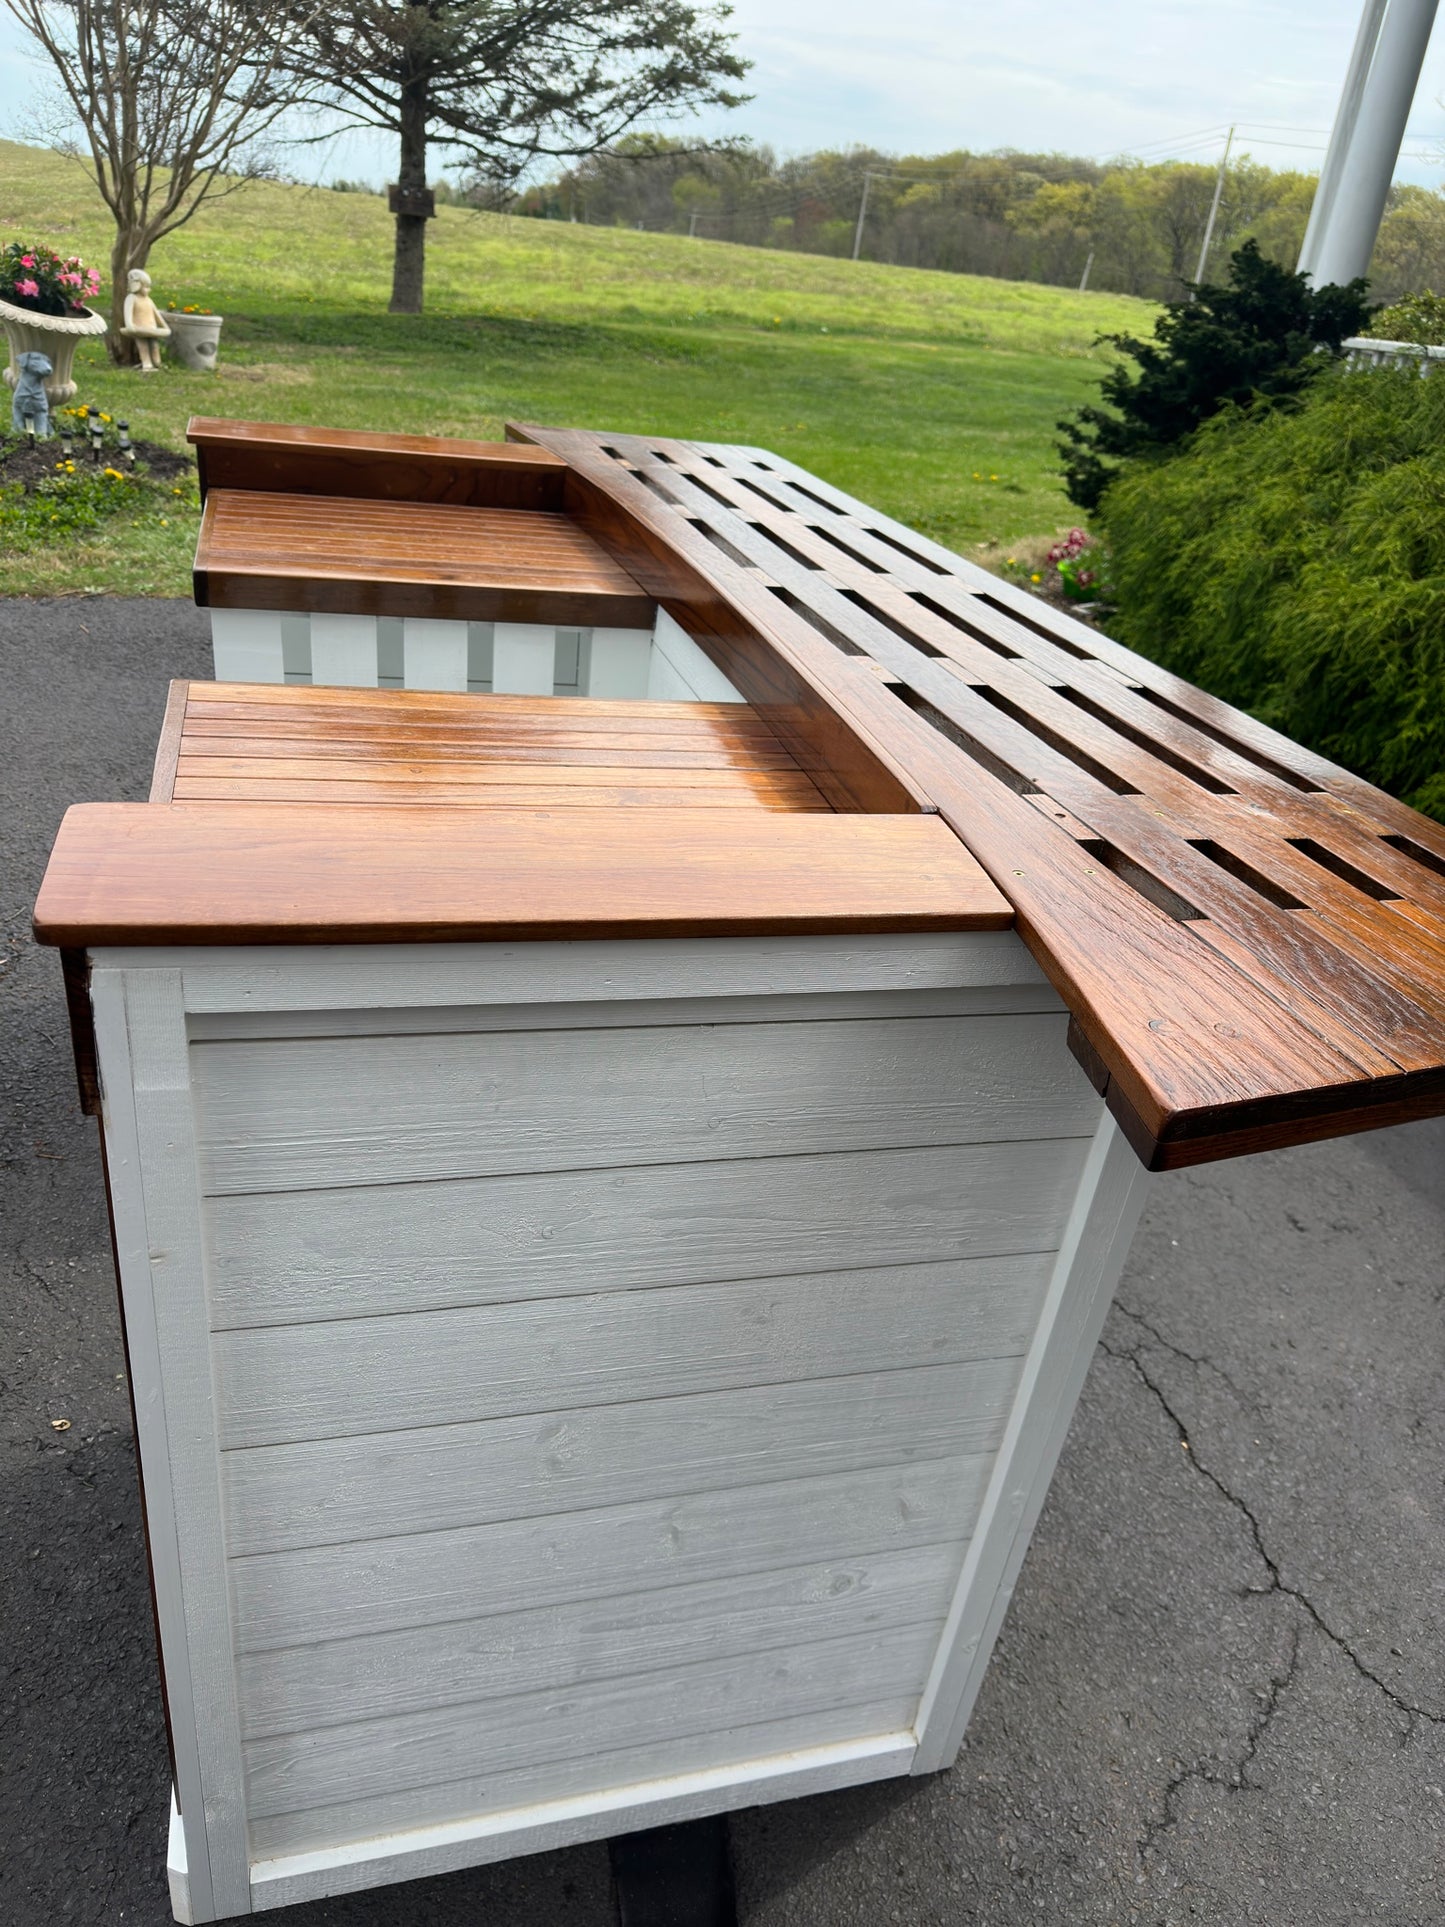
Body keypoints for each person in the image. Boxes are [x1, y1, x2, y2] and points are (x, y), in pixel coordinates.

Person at [121, 268, 170, 372]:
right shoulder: (131, 298)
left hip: (151, 328)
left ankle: (157, 363)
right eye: (146, 287)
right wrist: (130, 325)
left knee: (154, 346)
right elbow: (128, 313)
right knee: (142, 346)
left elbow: (156, 315)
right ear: (137, 286)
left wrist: (165, 326)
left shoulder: (149, 300)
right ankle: (146, 364)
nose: (148, 290)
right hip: (139, 329)